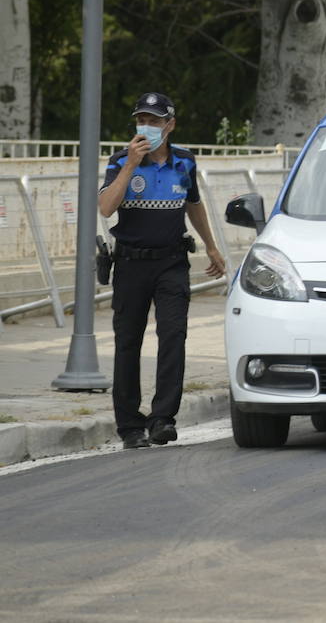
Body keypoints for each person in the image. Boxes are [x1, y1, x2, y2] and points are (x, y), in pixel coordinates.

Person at [98, 93, 226, 449]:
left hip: (172, 262)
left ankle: (162, 419)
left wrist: (212, 245)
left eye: (155, 121)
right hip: (130, 263)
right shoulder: (121, 160)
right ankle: (130, 427)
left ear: (169, 125)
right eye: (142, 120)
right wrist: (129, 166)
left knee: (173, 336)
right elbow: (106, 207)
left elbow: (193, 204)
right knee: (128, 343)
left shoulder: (184, 162)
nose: (147, 127)